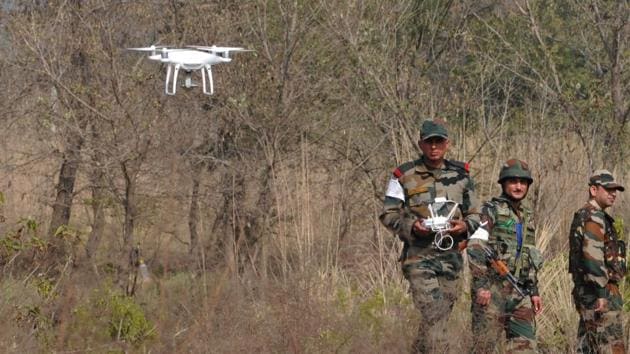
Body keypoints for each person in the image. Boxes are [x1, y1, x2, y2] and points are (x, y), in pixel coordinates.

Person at [379, 119, 480, 352]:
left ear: (447, 144)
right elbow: (388, 214)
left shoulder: (462, 175)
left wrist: (463, 226)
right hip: (419, 257)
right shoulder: (403, 175)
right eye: (429, 142)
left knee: (439, 318)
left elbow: (476, 215)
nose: (434, 146)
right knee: (434, 313)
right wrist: (413, 226)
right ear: (420, 144)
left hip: (451, 257)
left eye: (439, 141)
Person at [466, 159, 544, 353]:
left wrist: (534, 290)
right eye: (513, 181)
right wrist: (482, 286)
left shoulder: (527, 215)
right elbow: (476, 246)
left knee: (526, 348)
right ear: (503, 183)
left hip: (520, 294)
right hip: (492, 292)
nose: (518, 186)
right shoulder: (490, 210)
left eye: (523, 182)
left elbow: (530, 256)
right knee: (483, 347)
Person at [568, 169, 627, 354]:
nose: (613, 193)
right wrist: (602, 293)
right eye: (608, 189)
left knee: (588, 346)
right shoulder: (594, 216)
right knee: (611, 347)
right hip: (599, 295)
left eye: (615, 190)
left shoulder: (587, 215)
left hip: (589, 293)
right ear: (594, 190)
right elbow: (592, 256)